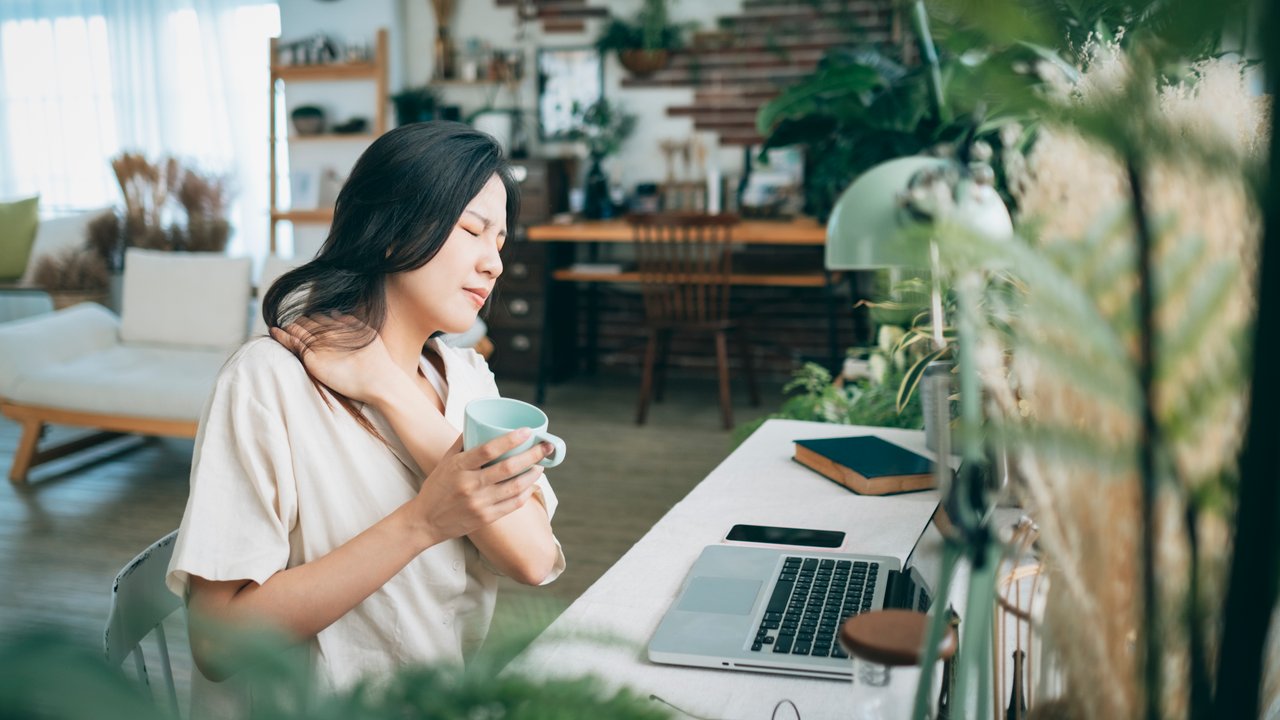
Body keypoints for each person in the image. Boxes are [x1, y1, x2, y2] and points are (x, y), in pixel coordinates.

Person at [165, 122, 564, 704]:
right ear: (391, 229)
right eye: (473, 230)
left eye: (500, 242)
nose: (494, 264)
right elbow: (218, 642)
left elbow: (532, 558)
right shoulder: (268, 381)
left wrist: (390, 392)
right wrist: (422, 523)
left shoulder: (468, 380)